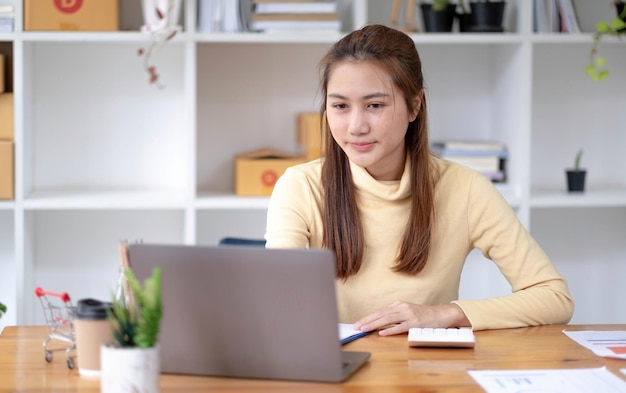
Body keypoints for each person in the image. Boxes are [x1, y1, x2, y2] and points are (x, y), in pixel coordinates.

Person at [265, 24, 574, 335]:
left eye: (375, 105)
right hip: (337, 371)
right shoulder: (300, 186)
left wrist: (446, 315)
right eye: (340, 106)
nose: (355, 126)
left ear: (415, 105)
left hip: (426, 371)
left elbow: (554, 297)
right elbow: (273, 299)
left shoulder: (464, 189)